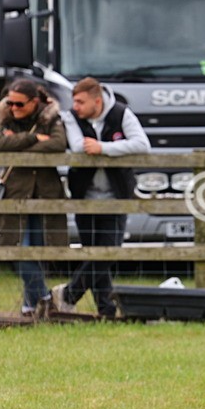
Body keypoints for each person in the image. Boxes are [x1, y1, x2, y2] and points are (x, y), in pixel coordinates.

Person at [52, 77, 150, 317]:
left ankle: (68, 295)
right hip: (84, 196)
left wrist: (103, 148)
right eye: (74, 101)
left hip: (116, 196)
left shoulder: (122, 114)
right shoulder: (71, 117)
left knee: (108, 252)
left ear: (97, 101)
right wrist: (107, 148)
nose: (75, 106)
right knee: (93, 253)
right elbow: (77, 147)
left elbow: (142, 144)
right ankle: (106, 310)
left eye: (80, 102)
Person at [0, 80, 68, 316]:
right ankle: (44, 296)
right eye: (10, 102)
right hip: (16, 193)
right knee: (17, 250)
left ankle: (29, 306)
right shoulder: (4, 115)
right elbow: (0, 144)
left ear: (34, 102)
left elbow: (58, 144)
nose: (13, 107)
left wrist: (19, 141)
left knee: (36, 249)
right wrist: (34, 138)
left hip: (45, 192)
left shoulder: (51, 116)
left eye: (19, 103)